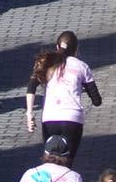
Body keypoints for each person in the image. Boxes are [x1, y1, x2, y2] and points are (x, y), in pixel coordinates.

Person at [25, 31, 102, 160]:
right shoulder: (82, 66)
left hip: (50, 118)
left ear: (57, 47)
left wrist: (29, 114)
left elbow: (31, 86)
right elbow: (96, 100)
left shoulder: (48, 63)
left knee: (50, 160)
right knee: (67, 161)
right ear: (76, 49)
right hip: (72, 119)